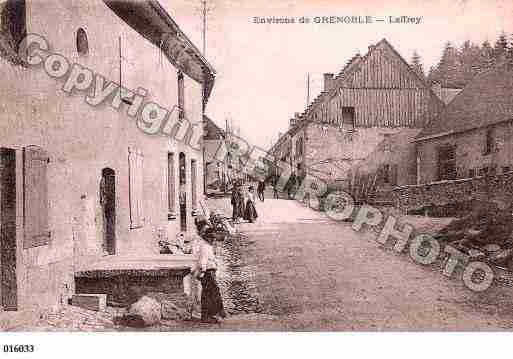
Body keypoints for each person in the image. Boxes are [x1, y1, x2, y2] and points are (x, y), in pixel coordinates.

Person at [197, 227, 226, 323]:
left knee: (209, 293)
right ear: (207, 238)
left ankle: (210, 314)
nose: (213, 240)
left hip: (210, 272)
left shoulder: (207, 246)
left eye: (214, 238)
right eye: (212, 238)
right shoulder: (205, 247)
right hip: (207, 273)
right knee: (212, 292)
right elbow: (202, 262)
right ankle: (211, 314)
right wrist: (202, 273)